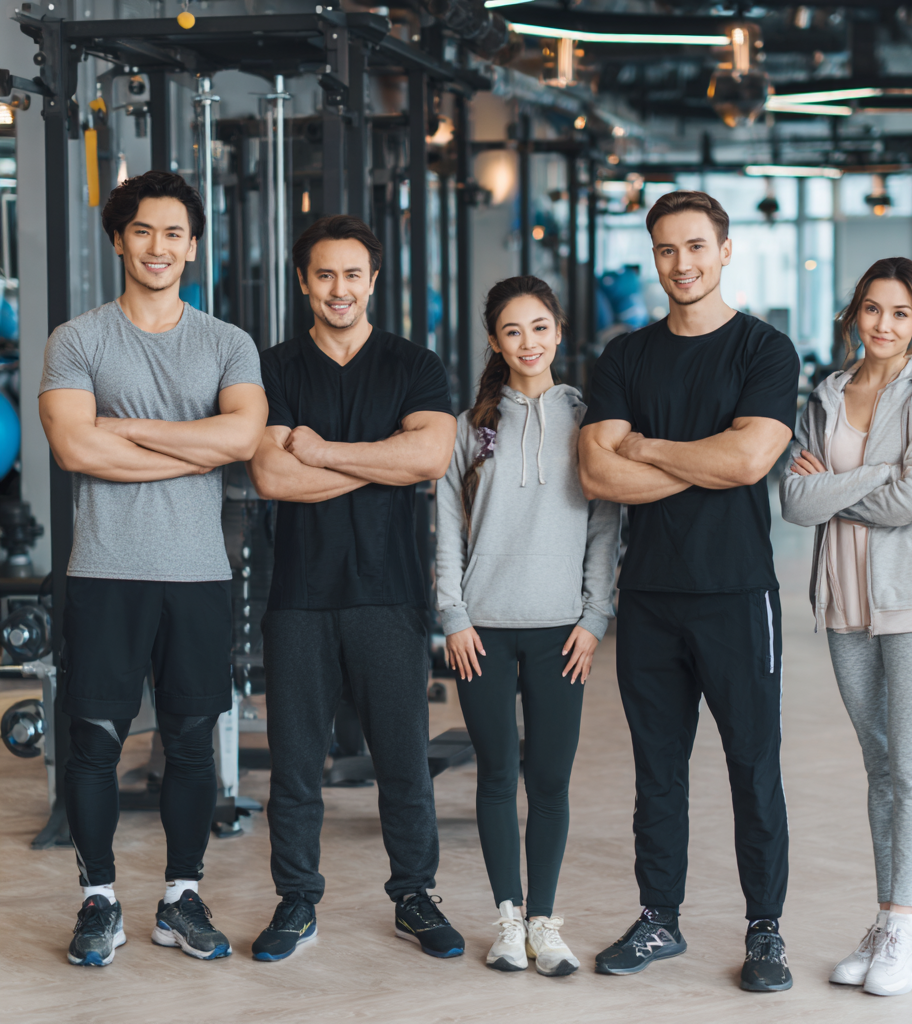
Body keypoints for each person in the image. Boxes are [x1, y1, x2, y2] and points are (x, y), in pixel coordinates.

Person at [39, 171, 267, 966]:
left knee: (193, 739)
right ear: (118, 240)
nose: (159, 246)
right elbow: (73, 447)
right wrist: (189, 440)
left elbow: (240, 441)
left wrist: (126, 435)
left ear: (193, 246)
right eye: (143, 231)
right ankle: (98, 898)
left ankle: (180, 897)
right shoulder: (78, 339)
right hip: (104, 568)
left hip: (199, 571)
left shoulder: (227, 343)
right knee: (95, 738)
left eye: (174, 233)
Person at [577, 190, 799, 991]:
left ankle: (765, 930)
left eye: (697, 247)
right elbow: (598, 469)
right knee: (657, 771)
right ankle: (658, 919)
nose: (683, 264)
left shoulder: (766, 351)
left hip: (739, 595)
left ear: (725, 250)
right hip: (651, 600)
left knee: (754, 766)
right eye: (667, 250)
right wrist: (700, 459)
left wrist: (651, 448)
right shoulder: (626, 357)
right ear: (655, 256)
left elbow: (747, 465)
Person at [245, 215, 461, 962]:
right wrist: (378, 460)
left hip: (389, 590)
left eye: (353, 275)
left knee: (403, 759)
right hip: (299, 594)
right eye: (325, 275)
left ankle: (413, 895)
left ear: (373, 281)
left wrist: (323, 451)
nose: (340, 289)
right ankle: (297, 899)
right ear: (304, 281)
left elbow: (430, 458)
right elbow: (272, 474)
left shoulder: (414, 365)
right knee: (296, 764)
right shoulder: (271, 368)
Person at [780, 258, 912, 997]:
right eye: (872, 310)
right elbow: (793, 499)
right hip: (845, 603)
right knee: (879, 762)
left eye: (900, 313)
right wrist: (868, 481)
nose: (884, 325)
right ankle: (888, 920)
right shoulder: (823, 397)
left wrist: (835, 490)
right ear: (855, 313)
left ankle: (906, 922)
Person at [434, 276, 621, 976]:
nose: (528, 342)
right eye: (513, 331)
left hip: (560, 633)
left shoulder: (587, 421)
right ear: (494, 341)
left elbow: (606, 526)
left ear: (560, 332)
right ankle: (506, 920)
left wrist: (595, 616)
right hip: (480, 630)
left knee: (549, 781)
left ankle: (544, 921)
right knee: (495, 775)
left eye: (540, 327)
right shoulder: (470, 427)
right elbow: (446, 533)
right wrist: (452, 615)